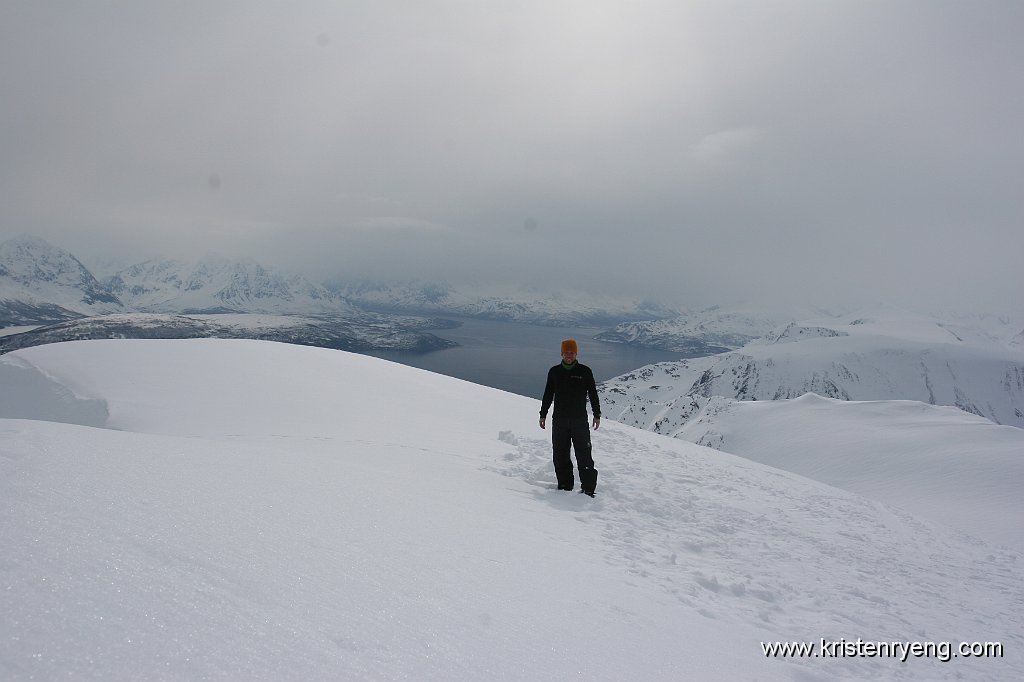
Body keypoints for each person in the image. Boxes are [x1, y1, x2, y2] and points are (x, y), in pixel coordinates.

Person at [539, 338, 600, 496]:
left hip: (579, 420)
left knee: (584, 454)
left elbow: (593, 393)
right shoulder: (554, 372)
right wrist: (543, 414)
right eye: (566, 352)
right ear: (561, 353)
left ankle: (588, 489)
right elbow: (548, 394)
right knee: (560, 453)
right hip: (559, 420)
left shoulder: (584, 371)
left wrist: (596, 414)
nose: (569, 355)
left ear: (576, 353)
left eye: (571, 352)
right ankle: (565, 485)